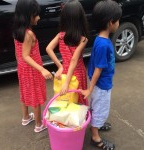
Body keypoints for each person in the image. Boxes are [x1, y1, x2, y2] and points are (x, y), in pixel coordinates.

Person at [80, 0, 122, 149]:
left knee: (98, 106)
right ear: (111, 23)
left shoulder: (100, 39)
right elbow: (98, 69)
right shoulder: (103, 44)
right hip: (102, 85)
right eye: (118, 21)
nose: (118, 23)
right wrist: (90, 89)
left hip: (100, 83)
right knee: (100, 108)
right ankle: (95, 137)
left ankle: (98, 124)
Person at [13, 0, 53, 133]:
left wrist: (20, 66)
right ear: (27, 16)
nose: (39, 18)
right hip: (32, 70)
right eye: (36, 15)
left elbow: (18, 54)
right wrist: (41, 69)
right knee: (35, 96)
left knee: (24, 93)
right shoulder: (28, 34)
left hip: (23, 69)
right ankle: (39, 124)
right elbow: (26, 55)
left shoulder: (17, 31)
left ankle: (25, 117)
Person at [46, 0, 88, 104]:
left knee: (66, 99)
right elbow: (74, 60)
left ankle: (67, 119)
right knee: (78, 99)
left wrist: (60, 66)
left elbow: (48, 48)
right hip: (78, 73)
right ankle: (79, 118)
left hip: (65, 72)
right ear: (80, 18)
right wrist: (67, 82)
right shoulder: (83, 39)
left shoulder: (60, 35)